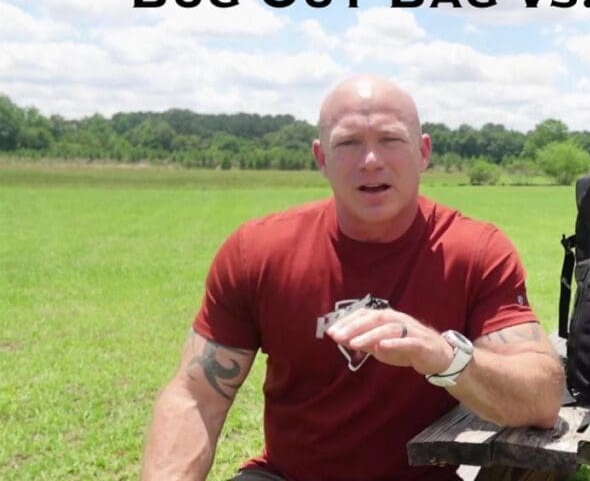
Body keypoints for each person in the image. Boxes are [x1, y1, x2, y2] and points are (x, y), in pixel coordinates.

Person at [141, 75, 565, 481]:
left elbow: (542, 398)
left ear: (423, 151)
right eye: (348, 143)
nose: (371, 161)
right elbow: (197, 396)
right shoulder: (258, 251)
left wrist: (442, 355)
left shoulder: (475, 252)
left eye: (390, 139)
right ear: (321, 157)